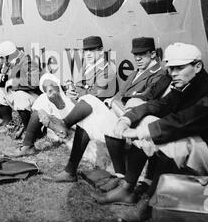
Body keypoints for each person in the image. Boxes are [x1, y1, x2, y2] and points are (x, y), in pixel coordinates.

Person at [96, 42, 208, 222]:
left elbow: (183, 121)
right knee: (149, 123)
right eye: (171, 69)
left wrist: (140, 133)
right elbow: (159, 105)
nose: (173, 73)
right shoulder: (187, 85)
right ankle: (128, 188)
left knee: (171, 143)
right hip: (206, 149)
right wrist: (127, 118)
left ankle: (149, 204)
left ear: (198, 66)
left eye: (179, 68)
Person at [38, 37, 171, 185]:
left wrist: (116, 102)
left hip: (132, 120)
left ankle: (64, 125)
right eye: (135, 55)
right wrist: (112, 100)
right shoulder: (136, 72)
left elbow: (145, 99)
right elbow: (121, 93)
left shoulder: (159, 74)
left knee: (90, 100)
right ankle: (71, 171)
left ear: (153, 54)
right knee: (86, 120)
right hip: (118, 113)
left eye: (142, 54)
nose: (137, 58)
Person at [7, 36, 117, 157]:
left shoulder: (107, 71)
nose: (88, 54)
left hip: (90, 114)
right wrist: (70, 89)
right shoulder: (89, 67)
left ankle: (34, 140)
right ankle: (28, 144)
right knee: (45, 98)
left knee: (46, 99)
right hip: (78, 106)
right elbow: (82, 88)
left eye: (93, 50)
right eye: (86, 51)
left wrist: (75, 93)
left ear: (101, 51)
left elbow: (93, 99)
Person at [0, 40, 41, 137]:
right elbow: (5, 78)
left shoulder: (27, 62)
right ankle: (9, 125)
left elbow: (34, 82)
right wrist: (1, 77)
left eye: (2, 57)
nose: (2, 60)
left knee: (20, 96)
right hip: (21, 93)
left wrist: (12, 82)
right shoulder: (9, 62)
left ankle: (29, 132)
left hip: (35, 97)